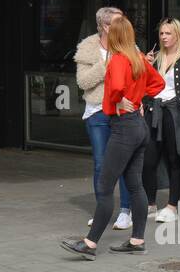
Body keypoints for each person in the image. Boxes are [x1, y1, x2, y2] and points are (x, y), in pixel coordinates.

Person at [62, 17, 164, 259]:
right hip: (138, 127)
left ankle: (90, 243)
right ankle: (137, 240)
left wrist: (119, 99)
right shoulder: (138, 57)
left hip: (123, 128)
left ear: (115, 35)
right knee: (135, 185)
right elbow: (157, 83)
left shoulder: (118, 59)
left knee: (105, 186)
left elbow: (117, 86)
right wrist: (138, 99)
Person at [74, 7, 135, 230]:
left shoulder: (129, 45)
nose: (124, 24)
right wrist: (106, 64)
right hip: (97, 112)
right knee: (101, 163)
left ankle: (125, 211)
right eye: (119, 21)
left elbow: (137, 75)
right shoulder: (87, 49)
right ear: (105, 26)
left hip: (123, 112)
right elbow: (83, 82)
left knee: (124, 162)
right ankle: (103, 209)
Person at [143, 18, 180, 224]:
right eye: (162, 33)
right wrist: (144, 66)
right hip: (154, 111)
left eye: (168, 33)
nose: (164, 37)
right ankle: (150, 203)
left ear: (177, 35)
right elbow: (144, 85)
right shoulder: (154, 58)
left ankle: (172, 206)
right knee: (148, 160)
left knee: (175, 159)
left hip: (177, 114)